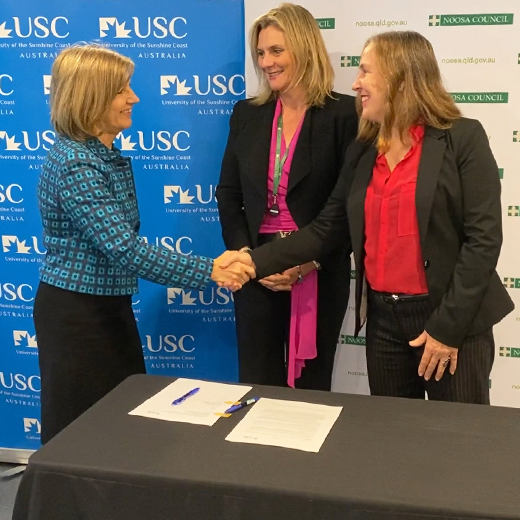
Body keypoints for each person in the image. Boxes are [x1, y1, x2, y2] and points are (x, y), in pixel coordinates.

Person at [222, 30, 513, 404]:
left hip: (450, 319)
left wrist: (446, 329)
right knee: (392, 442)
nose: (356, 83)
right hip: (384, 322)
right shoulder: (364, 148)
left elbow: (483, 241)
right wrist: (251, 261)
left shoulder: (462, 137)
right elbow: (328, 227)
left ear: (400, 76)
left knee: (458, 446)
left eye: (365, 72)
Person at [35, 45, 254, 443]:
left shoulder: (99, 154)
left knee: (115, 427)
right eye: (122, 89)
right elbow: (124, 248)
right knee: (78, 435)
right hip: (77, 317)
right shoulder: (76, 162)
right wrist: (210, 269)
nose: (133, 97)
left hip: (103, 309)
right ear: (93, 96)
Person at [216, 3, 358, 390]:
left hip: (318, 268)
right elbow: (228, 195)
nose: (266, 62)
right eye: (261, 53)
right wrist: (247, 258)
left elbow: (348, 206)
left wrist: (307, 260)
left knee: (313, 389)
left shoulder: (346, 114)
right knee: (257, 383)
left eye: (276, 51)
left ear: (304, 49)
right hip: (254, 268)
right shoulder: (247, 113)